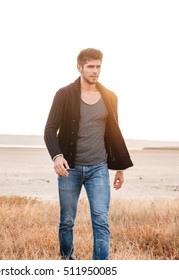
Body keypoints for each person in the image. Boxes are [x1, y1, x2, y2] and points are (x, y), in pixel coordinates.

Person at [44, 48, 133, 260]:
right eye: (91, 67)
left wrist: (120, 167)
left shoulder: (110, 97)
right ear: (80, 67)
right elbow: (49, 129)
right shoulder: (64, 94)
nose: (95, 71)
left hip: (98, 168)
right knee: (66, 221)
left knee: (101, 221)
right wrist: (57, 156)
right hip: (70, 169)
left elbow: (114, 133)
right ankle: (67, 263)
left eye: (98, 67)